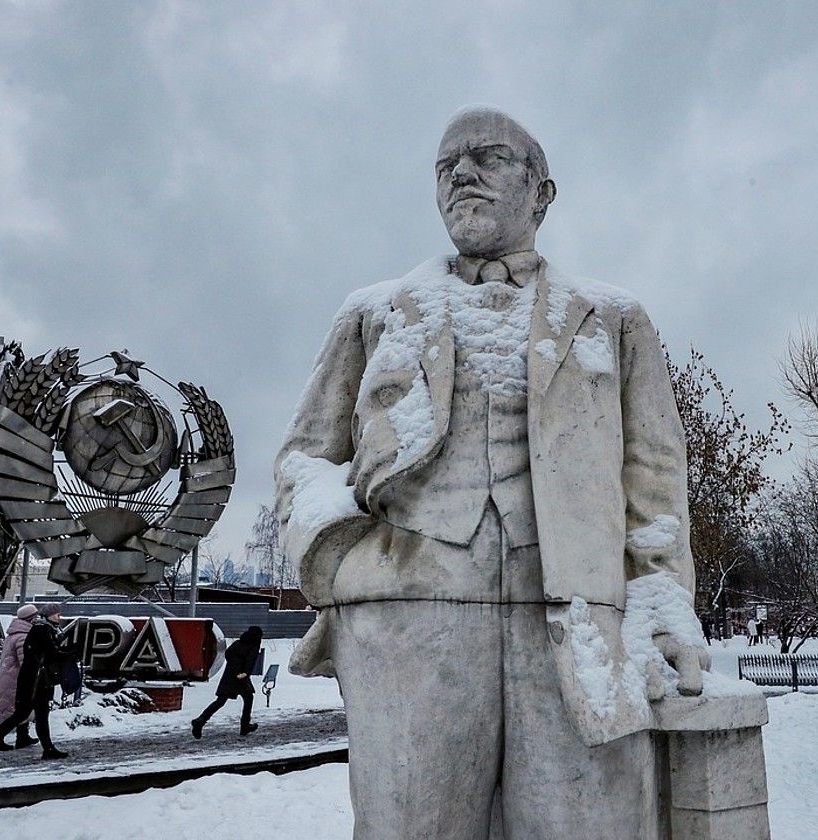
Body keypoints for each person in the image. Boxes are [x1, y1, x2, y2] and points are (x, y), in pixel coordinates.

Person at [275, 106, 704, 838]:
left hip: (575, 615)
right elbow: (304, 458)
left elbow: (654, 475)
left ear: (543, 191)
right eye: (446, 167)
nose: (461, 174)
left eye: (487, 157)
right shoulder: (372, 313)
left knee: (589, 826)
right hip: (412, 617)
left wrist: (661, 593)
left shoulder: (616, 318)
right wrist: (342, 558)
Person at [0, 603, 71, 763]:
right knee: (20, 715)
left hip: (34, 680)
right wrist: (69, 653)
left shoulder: (30, 631)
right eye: (56, 614)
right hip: (33, 682)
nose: (59, 617)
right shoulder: (36, 631)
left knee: (40, 715)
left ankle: (48, 749)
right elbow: (35, 657)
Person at [192, 625, 263, 738]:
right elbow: (250, 661)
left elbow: (228, 653)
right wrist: (244, 672)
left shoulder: (238, 643)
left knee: (221, 700)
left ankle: (201, 720)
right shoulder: (253, 646)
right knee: (248, 698)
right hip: (240, 677)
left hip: (229, 674)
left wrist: (234, 666)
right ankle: (244, 725)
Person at [0, 604, 40, 750]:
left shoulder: (15, 634)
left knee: (17, 708)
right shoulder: (23, 637)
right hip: (15, 680)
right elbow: (26, 661)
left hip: (9, 677)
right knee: (8, 711)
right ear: (30, 619)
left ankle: (22, 737)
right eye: (35, 617)